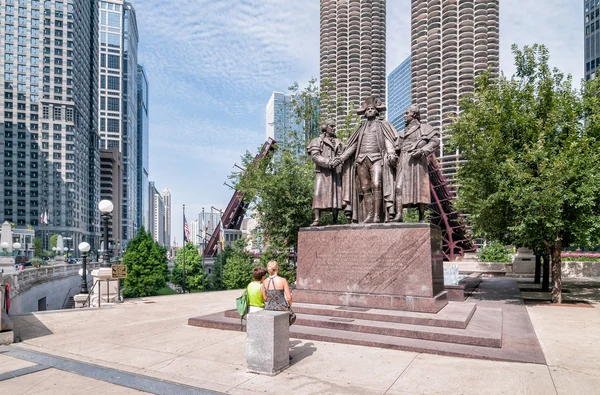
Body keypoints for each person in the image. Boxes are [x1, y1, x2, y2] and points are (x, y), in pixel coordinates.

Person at [333, 96, 399, 223]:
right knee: (365, 187)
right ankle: (370, 214)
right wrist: (341, 158)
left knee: (376, 184)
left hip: (377, 159)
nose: (369, 110)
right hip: (361, 160)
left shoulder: (382, 125)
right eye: (367, 109)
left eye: (372, 109)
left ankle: (377, 216)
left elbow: (388, 141)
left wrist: (391, 152)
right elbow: (353, 146)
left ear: (376, 111)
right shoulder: (360, 128)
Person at [392, 104, 440, 223]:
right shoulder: (401, 132)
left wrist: (423, 150)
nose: (404, 116)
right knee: (398, 187)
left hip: (417, 161)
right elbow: (395, 148)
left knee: (420, 188)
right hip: (403, 160)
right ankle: (399, 214)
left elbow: (435, 141)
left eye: (406, 113)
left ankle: (421, 216)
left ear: (414, 115)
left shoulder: (424, 128)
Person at [307, 119, 344, 226]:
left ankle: (335, 219)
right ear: (325, 127)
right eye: (331, 126)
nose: (333, 128)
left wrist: (338, 162)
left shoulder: (338, 142)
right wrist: (328, 162)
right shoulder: (317, 141)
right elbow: (315, 156)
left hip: (335, 172)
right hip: (322, 172)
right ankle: (317, 219)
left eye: (334, 126)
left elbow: (342, 154)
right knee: (318, 194)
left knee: (335, 195)